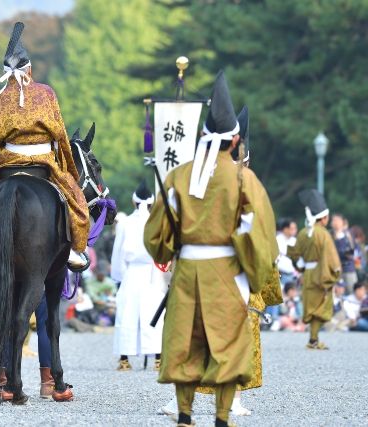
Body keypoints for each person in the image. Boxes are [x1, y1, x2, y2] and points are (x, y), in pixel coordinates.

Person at [144, 72, 278, 427]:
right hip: (227, 273)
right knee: (228, 344)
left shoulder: (178, 176)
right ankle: (222, 416)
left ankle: (185, 414)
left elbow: (156, 233)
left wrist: (170, 251)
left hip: (187, 271)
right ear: (236, 141)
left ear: (204, 137)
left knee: (185, 340)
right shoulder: (243, 179)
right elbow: (259, 233)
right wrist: (254, 270)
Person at [0, 21, 89, 269]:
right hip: (44, 162)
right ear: (29, 70)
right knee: (76, 200)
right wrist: (67, 166)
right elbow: (60, 134)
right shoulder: (46, 93)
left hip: (8, 162)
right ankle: (75, 249)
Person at [111, 181, 165, 371]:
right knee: (155, 312)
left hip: (131, 272)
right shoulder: (157, 222)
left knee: (127, 313)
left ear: (134, 202)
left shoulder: (125, 223)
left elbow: (118, 253)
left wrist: (118, 277)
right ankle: (158, 358)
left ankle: (124, 359)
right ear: (151, 203)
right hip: (153, 272)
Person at [289, 189, 341, 350]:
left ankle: (313, 339)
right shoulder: (324, 234)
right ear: (324, 218)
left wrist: (301, 266)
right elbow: (331, 258)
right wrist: (336, 271)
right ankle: (313, 339)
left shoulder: (304, 232)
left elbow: (294, 253)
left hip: (308, 274)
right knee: (320, 306)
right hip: (321, 273)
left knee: (311, 306)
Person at [331, 214, 358, 294]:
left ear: (343, 222)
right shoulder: (329, 235)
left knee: (351, 291)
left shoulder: (348, 235)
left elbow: (352, 251)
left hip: (348, 268)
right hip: (334, 269)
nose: (335, 222)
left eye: (337, 220)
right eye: (334, 220)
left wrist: (339, 253)